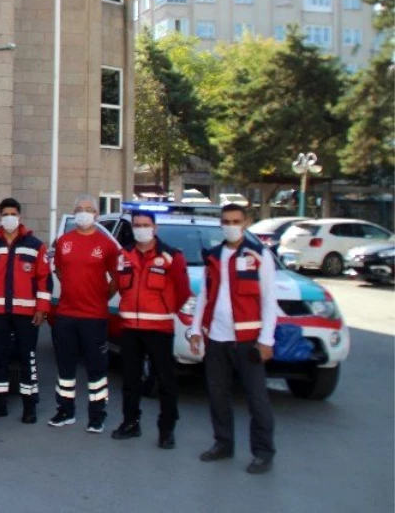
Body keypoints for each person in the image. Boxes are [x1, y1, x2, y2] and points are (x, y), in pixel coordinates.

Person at [188, 203, 279, 474]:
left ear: (246, 222)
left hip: (248, 340)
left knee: (256, 399)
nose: (230, 225)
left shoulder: (259, 255)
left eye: (235, 221)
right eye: (226, 221)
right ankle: (223, 443)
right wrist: (196, 330)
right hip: (217, 337)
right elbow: (205, 295)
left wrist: (266, 340)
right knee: (217, 395)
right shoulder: (214, 256)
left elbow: (269, 300)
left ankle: (263, 452)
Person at [111, 210, 191, 449]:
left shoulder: (171, 256)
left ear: (154, 228)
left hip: (159, 328)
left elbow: (183, 291)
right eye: (137, 225)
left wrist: (165, 310)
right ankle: (130, 423)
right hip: (131, 328)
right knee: (130, 381)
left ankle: (166, 430)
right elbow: (121, 287)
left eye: (145, 225)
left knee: (166, 382)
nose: (141, 229)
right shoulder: (124, 255)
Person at [0, 198, 51, 423]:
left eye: (13, 213)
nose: (9, 217)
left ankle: (30, 405)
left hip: (27, 314)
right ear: (0, 216)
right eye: (5, 214)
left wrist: (42, 309)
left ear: (19, 216)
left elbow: (44, 280)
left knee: (28, 358)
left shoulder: (36, 245)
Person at [49, 194, 121, 433]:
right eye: (79, 209)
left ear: (96, 215)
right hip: (67, 314)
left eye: (88, 209)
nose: (84, 213)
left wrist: (102, 297)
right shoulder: (64, 241)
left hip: (95, 316)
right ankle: (65, 411)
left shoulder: (107, 244)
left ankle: (97, 415)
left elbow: (116, 279)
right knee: (66, 367)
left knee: (96, 369)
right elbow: (59, 269)